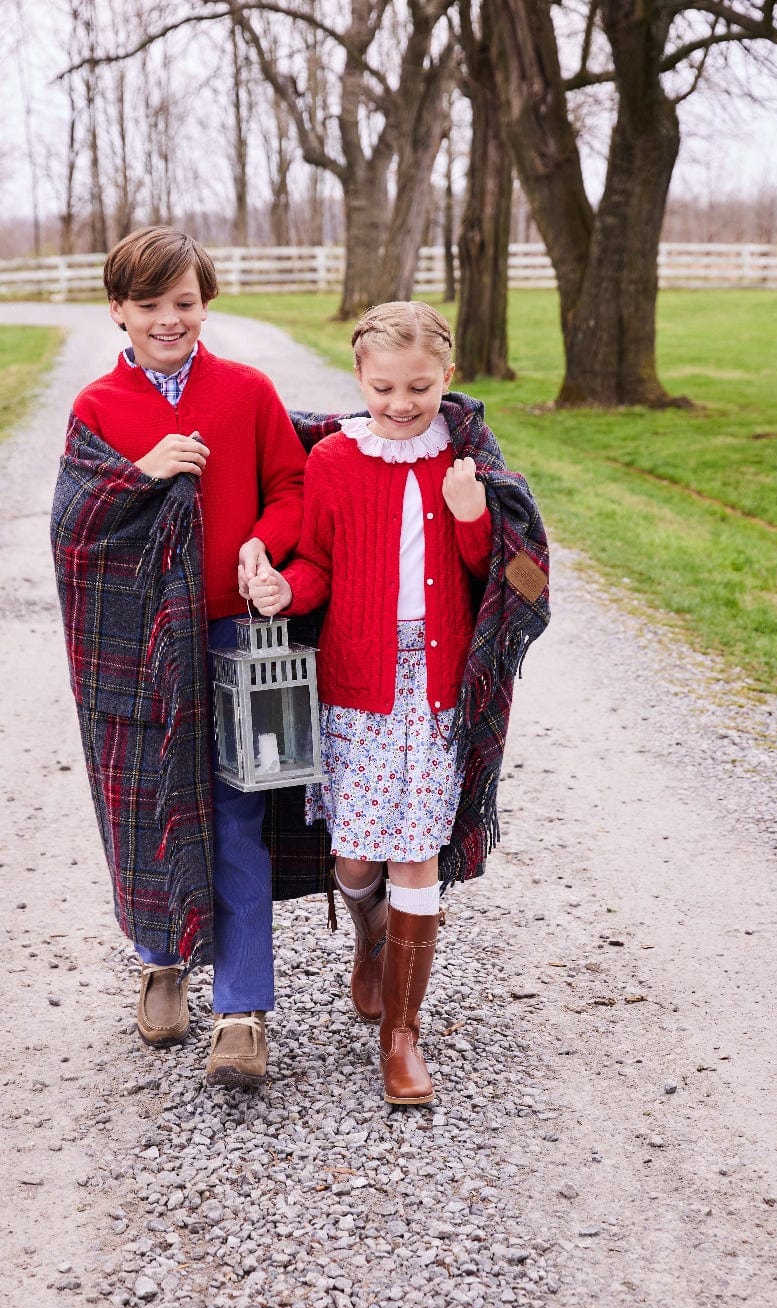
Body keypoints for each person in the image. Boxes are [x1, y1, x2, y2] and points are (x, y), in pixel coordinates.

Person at [250, 302, 549, 1105]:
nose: (400, 403)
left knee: (415, 848)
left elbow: (494, 581)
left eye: (419, 387)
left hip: (436, 687)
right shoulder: (336, 464)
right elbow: (317, 560)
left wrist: (471, 517)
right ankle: (372, 937)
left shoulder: (464, 462)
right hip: (357, 685)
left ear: (447, 379)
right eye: (384, 387)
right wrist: (285, 590)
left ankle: (403, 1038)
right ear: (360, 380)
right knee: (355, 856)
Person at [51, 226, 326, 1090]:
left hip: (234, 635)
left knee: (240, 815)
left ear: (205, 304)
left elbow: (292, 485)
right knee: (150, 808)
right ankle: (162, 959)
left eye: (185, 303)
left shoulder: (245, 391)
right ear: (118, 312)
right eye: (150, 306)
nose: (169, 320)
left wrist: (260, 544)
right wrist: (142, 472)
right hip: (141, 647)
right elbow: (74, 526)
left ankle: (242, 1011)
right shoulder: (96, 408)